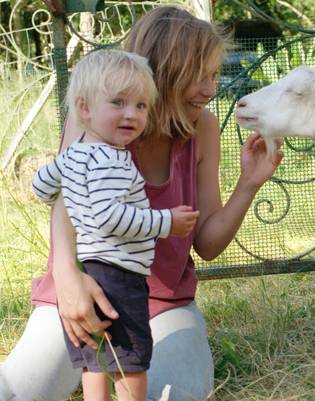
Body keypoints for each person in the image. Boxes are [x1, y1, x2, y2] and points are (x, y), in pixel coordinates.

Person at [0, 6, 283, 401]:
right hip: (84, 285)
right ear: (163, 72)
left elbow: (207, 243)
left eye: (214, 75)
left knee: (169, 396)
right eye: (198, 75)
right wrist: (68, 282)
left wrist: (249, 184)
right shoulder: (95, 118)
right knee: (14, 392)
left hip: (162, 305)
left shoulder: (203, 128)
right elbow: (65, 210)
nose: (210, 89)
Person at [31, 48, 201, 401]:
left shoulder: (75, 152)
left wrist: (74, 198)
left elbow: (41, 186)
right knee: (131, 358)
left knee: (96, 357)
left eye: (140, 106)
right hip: (118, 273)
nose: (131, 114)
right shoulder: (109, 159)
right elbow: (112, 219)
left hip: (91, 268)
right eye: (119, 102)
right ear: (84, 109)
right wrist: (166, 221)